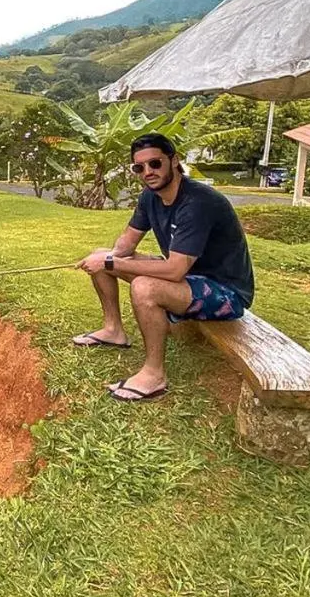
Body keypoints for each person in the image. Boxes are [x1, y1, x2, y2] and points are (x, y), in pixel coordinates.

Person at [73, 133, 255, 402]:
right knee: (102, 256)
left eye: (155, 163)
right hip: (189, 278)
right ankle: (113, 330)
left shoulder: (198, 203)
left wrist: (112, 262)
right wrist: (108, 257)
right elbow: (128, 239)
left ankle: (154, 374)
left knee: (145, 287)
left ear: (174, 160)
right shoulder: (150, 196)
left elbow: (174, 271)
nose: (148, 172)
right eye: (139, 167)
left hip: (225, 291)